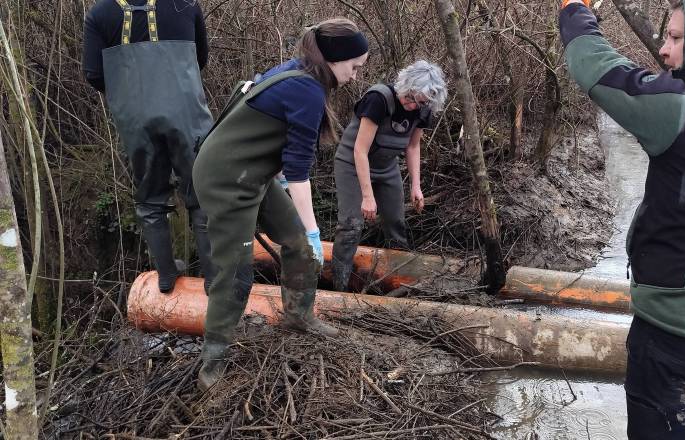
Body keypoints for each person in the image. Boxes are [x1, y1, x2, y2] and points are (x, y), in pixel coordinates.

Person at [559, 0, 685, 438]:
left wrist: (574, 8)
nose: (665, 50)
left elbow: (594, 64)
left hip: (673, 342)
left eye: (675, 37)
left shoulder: (684, 105)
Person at [192, 18, 369, 392]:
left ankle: (298, 317)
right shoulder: (305, 89)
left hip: (254, 174)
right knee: (236, 273)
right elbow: (299, 169)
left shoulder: (302, 74)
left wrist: (303, 234)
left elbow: (280, 147)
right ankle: (212, 366)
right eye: (354, 67)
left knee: (299, 248)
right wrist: (314, 230)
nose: (355, 77)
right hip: (226, 180)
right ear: (337, 59)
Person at [82, 0, 214, 293]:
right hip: (187, 112)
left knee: (150, 196)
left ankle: (166, 275)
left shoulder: (100, 13)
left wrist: (128, 93)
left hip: (135, 119)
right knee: (204, 191)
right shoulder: (186, 5)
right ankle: (214, 280)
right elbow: (200, 58)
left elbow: (93, 73)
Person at [331, 60, 447, 292]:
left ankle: (399, 283)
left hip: (387, 168)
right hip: (352, 165)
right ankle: (338, 287)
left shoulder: (423, 108)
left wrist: (416, 185)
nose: (413, 105)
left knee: (396, 222)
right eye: (411, 98)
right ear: (405, 85)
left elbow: (413, 147)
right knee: (352, 225)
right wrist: (367, 196)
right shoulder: (379, 99)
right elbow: (359, 150)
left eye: (420, 102)